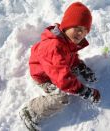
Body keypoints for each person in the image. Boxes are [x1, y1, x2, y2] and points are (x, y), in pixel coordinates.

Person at [20, 2, 101, 131]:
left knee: (70, 70)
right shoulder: (53, 47)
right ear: (66, 25)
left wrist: (79, 66)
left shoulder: (67, 40)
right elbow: (64, 80)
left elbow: (70, 56)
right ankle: (30, 112)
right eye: (77, 28)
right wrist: (84, 91)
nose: (81, 34)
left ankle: (75, 70)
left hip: (55, 68)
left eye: (85, 31)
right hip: (43, 76)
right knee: (61, 98)